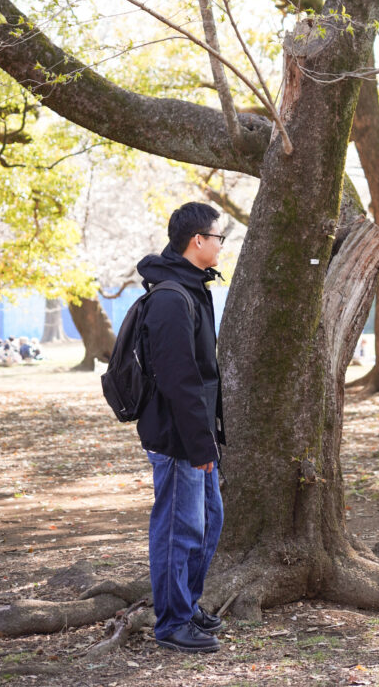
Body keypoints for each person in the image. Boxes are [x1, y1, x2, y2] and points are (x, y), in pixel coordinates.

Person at [135, 202, 226, 654]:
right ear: (198, 240)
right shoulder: (172, 297)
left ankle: (187, 606)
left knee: (210, 521)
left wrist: (209, 436)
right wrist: (199, 444)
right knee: (179, 529)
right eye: (218, 237)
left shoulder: (192, 287)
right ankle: (172, 623)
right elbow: (178, 379)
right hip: (177, 438)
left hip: (195, 433)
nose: (221, 245)